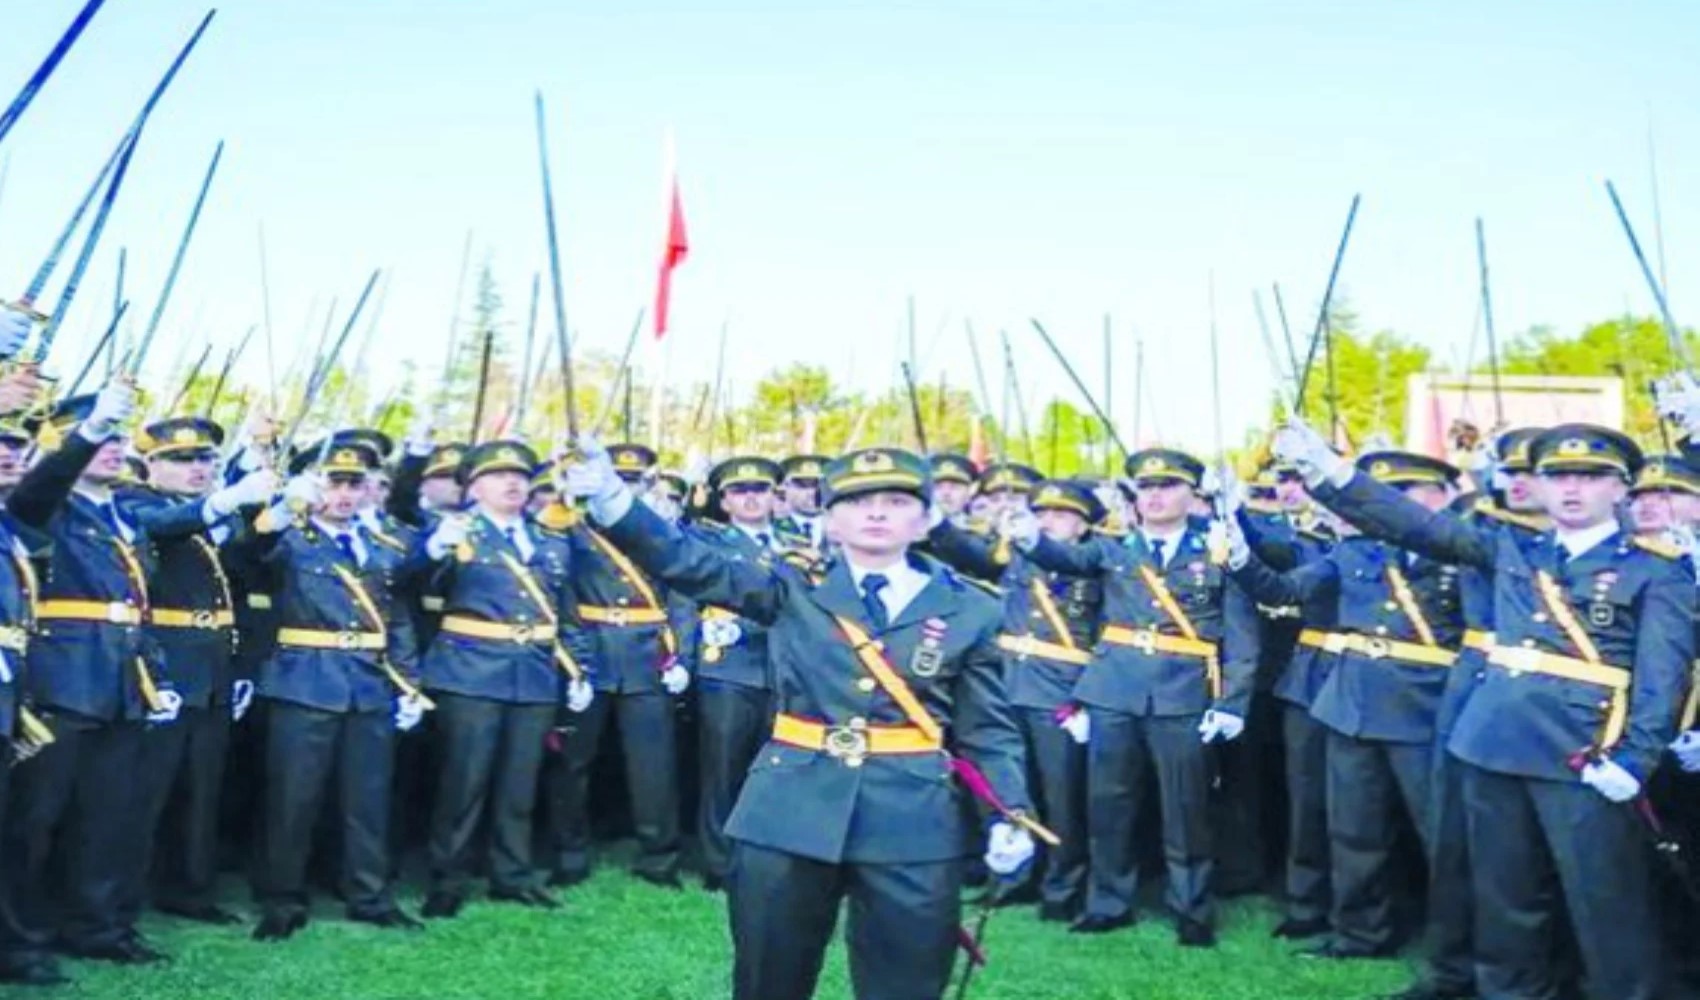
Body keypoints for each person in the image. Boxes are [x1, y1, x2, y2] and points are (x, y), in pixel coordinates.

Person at [561, 441, 1034, 1000]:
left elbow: (987, 729)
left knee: (906, 983)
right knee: (768, 979)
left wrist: (1011, 810)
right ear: (831, 518)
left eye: (894, 500)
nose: (876, 513)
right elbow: (686, 560)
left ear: (927, 517)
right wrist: (616, 500)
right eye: (857, 502)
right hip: (790, 807)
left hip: (912, 815)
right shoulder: (791, 586)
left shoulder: (973, 609)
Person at [1276, 418, 1692, 1000]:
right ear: (1539, 487)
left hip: (1585, 752)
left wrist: (1635, 757)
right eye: (1558, 476)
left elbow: (1661, 676)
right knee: (1506, 898)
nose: (1573, 488)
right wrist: (1331, 470)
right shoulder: (1512, 548)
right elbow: (1415, 525)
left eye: (1592, 477)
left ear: (1622, 488)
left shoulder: (1657, 570)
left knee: (1605, 901)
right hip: (1493, 743)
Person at [1002, 447, 1259, 946]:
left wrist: (1232, 703)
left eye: (1168, 486)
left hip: (1183, 693)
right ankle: (1108, 902)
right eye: (1146, 488)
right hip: (1113, 691)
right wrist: (1031, 536)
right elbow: (1066, 558)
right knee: (1109, 805)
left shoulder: (1219, 549)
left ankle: (1192, 909)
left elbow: (1242, 636)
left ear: (1192, 494)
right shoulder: (1115, 549)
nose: (1156, 496)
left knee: (1187, 809)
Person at [1225, 451, 1466, 962]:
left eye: (1406, 491)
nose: (1389, 504)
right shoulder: (1354, 552)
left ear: (1442, 496)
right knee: (1354, 829)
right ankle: (1361, 934)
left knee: (1444, 838)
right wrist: (1241, 559)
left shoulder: (1462, 552)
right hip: (1352, 704)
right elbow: (1288, 589)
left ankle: (1458, 951)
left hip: (1428, 707)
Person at [0, 380, 196, 973]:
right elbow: (41, 487)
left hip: (119, 683)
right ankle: (23, 940)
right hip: (60, 685)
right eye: (99, 437)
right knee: (35, 824)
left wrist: (152, 674)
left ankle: (96, 926)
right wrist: (86, 434)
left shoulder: (124, 515)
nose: (112, 446)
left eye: (116, 436)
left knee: (109, 819)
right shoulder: (44, 505)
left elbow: (133, 605)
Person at [240, 438, 425, 941]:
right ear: (315, 486)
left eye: (355, 484)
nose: (344, 494)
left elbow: (397, 617)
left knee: (368, 798)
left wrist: (408, 682)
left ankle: (369, 896)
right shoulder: (290, 539)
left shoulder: (381, 546)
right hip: (305, 678)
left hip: (368, 681)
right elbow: (249, 553)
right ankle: (282, 898)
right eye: (334, 483)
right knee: (293, 797)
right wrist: (279, 508)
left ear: (369, 490)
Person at [415, 440, 594, 917]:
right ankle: (448, 878)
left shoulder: (550, 538)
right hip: (470, 670)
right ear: (473, 486)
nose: (512, 483)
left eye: (519, 476)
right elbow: (409, 584)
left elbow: (566, 611)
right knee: (463, 782)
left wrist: (578, 670)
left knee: (520, 783)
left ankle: (511, 874)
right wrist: (434, 551)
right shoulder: (453, 531)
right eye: (497, 476)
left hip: (533, 673)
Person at [928, 478, 1104, 922]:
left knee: (1062, 796)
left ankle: (1062, 887)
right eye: (1041, 513)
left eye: (1060, 515)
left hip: (1061, 690)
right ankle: (1012, 877)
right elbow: (970, 556)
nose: (1048, 522)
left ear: (1083, 527)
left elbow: (1110, 637)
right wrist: (937, 524)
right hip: (1009, 683)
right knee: (1008, 790)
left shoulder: (1096, 564)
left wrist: (1087, 697)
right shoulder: (1015, 556)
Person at [124, 417, 275, 928]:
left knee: (201, 791)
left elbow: (246, 573)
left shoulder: (216, 518)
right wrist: (227, 499)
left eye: (206, 459)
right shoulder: (135, 501)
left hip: (213, 667)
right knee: (146, 793)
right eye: (181, 460)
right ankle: (124, 895)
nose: (197, 468)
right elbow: (164, 528)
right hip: (164, 664)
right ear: (151, 464)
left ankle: (189, 889)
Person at [547, 442, 688, 888]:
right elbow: (559, 593)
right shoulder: (573, 527)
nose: (626, 487)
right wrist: (572, 661)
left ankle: (659, 857)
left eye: (634, 480)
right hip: (590, 651)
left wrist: (680, 654)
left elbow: (683, 596)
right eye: (619, 478)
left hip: (650, 656)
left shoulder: (662, 530)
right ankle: (569, 852)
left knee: (654, 765)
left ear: (649, 483)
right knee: (572, 762)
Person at [689, 456, 793, 892]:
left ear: (774, 496)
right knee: (723, 770)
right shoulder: (708, 541)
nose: (751, 498)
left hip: (784, 670)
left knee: (776, 771)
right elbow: (683, 596)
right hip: (729, 666)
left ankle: (767, 857)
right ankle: (719, 863)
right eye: (739, 491)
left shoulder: (797, 544)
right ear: (725, 501)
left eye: (760, 490)